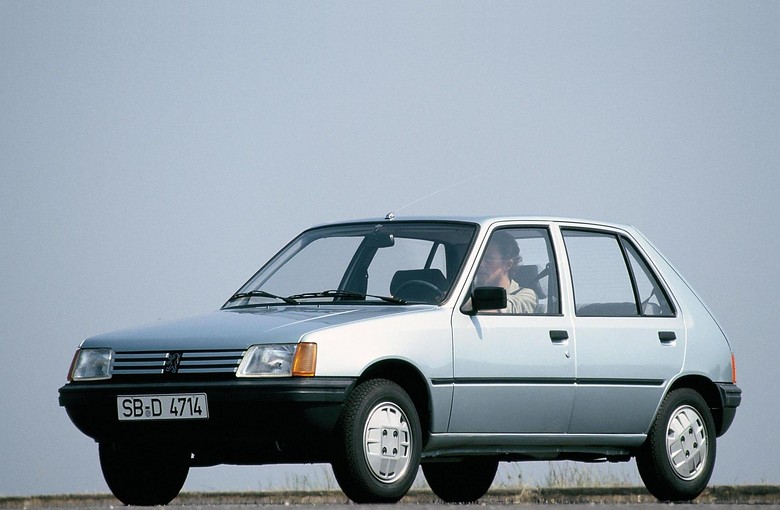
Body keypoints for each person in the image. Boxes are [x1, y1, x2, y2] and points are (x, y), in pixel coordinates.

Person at [475, 231, 538, 314]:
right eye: (477, 258)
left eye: (488, 258)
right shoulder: (466, 293)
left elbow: (510, 307)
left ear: (508, 264)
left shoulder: (527, 296)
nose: (480, 264)